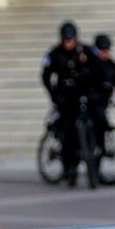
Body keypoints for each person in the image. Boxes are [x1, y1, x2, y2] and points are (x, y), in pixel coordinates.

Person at [39, 20, 92, 187]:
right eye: (66, 40)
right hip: (64, 98)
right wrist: (53, 94)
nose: (69, 43)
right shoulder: (55, 54)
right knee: (67, 132)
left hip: (81, 96)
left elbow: (96, 68)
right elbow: (46, 75)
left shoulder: (84, 51)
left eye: (71, 39)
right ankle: (68, 166)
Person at [88, 34, 115, 152]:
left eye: (107, 50)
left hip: (102, 101)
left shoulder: (112, 65)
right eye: (102, 50)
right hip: (88, 100)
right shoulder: (90, 63)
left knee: (101, 122)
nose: (105, 53)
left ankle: (100, 149)